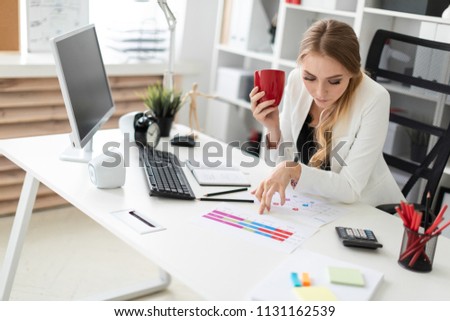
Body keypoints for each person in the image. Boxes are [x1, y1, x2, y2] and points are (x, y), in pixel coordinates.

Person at [250, 19, 404, 214]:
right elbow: (277, 167)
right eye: (310, 78)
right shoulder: (296, 81)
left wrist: (295, 170)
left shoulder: (375, 99)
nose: (320, 92)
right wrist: (273, 129)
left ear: (352, 72)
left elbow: (350, 188)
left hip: (367, 210)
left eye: (334, 81)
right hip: (318, 206)